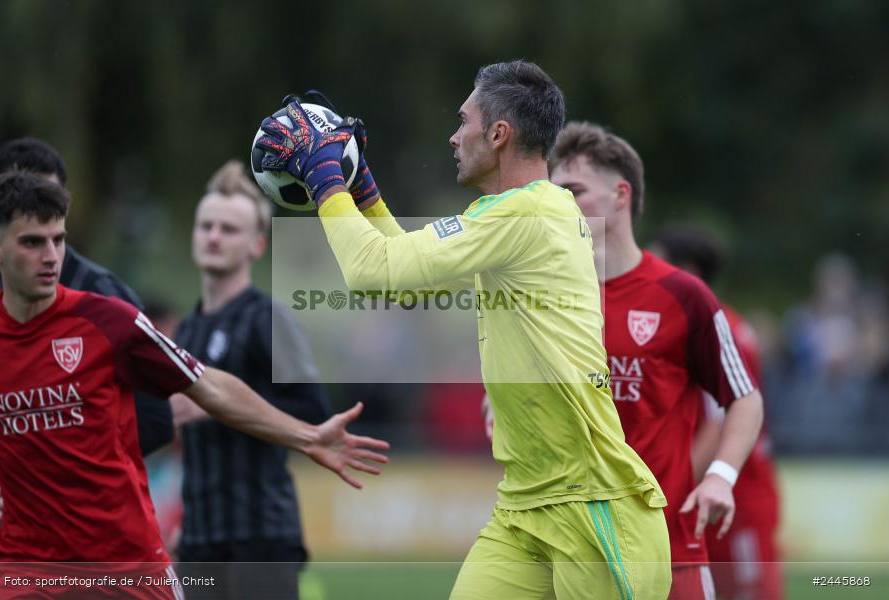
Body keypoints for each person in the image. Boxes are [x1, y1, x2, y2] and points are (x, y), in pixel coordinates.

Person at [254, 60, 672, 599]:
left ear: (499, 135)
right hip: (524, 507)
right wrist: (360, 189)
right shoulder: (517, 211)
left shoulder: (524, 215)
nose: (453, 137)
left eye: (463, 121)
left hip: (593, 504)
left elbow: (372, 272)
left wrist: (324, 176)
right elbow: (405, 283)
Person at [0, 171, 388, 598]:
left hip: (233, 544)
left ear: (257, 244)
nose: (52, 256)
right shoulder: (191, 326)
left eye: (58, 239)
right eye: (33, 242)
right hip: (153, 547)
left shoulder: (251, 320)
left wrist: (307, 436)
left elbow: (220, 388)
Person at [547, 122, 765, 600]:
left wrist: (720, 478)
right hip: (573, 549)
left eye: (574, 191)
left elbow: (745, 400)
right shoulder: (547, 299)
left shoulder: (683, 295)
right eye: (553, 192)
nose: (559, 204)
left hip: (669, 546)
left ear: (620, 195)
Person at [0, 137, 175, 564]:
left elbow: (157, 417)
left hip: (97, 542)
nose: (35, 206)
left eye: (48, 199)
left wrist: (59, 476)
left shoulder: (104, 299)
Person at [170, 160, 331, 599]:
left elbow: (315, 413)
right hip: (200, 541)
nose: (214, 236)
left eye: (229, 228)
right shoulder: (187, 330)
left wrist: (217, 405)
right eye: (206, 225)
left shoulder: (267, 319)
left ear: (257, 245)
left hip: (261, 539)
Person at [649, 226, 783, 600]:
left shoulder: (721, 329)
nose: (646, 271)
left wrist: (662, 492)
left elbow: (717, 425)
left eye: (656, 262)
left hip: (736, 495)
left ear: (688, 272)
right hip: (704, 493)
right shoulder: (705, 323)